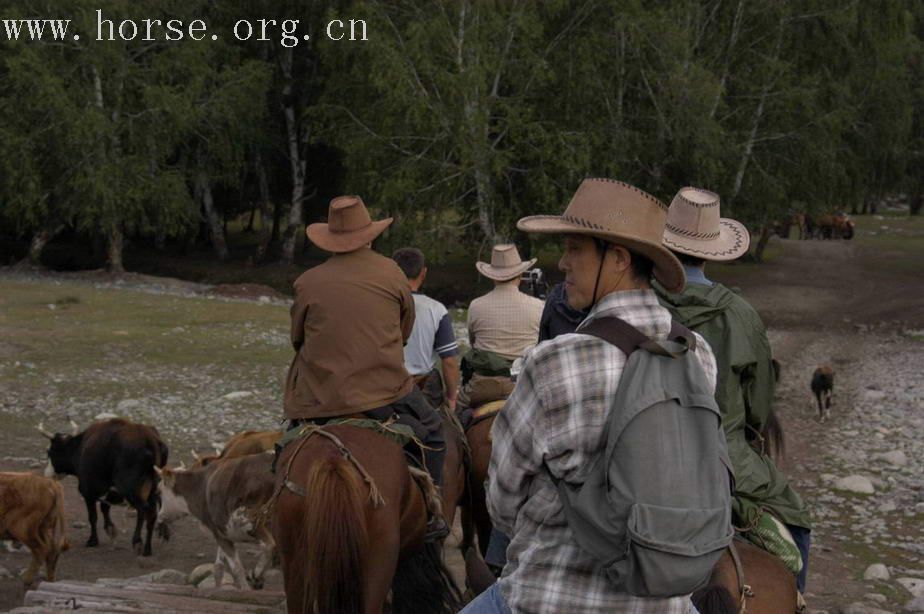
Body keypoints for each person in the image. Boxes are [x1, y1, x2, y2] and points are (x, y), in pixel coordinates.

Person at [463, 178, 718, 613]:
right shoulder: (697, 354)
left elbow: (503, 502)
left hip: (552, 595)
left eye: (574, 248)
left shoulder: (552, 361)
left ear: (617, 258)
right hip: (665, 600)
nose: (562, 262)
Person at [655, 186, 812, 591]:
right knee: (795, 525)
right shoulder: (741, 315)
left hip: (650, 452)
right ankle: (795, 597)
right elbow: (759, 410)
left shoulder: (639, 303)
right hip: (727, 459)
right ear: (712, 251)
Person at [283, 195, 448, 540]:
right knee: (433, 431)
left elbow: (297, 338)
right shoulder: (392, 272)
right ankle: (435, 512)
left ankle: (276, 508)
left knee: (285, 446)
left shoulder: (307, 281)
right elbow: (404, 330)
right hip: (382, 395)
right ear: (369, 235)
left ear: (330, 238)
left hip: (319, 399)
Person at [391, 247, 461, 411]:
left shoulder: (379, 305)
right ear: (423, 273)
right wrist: (451, 397)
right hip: (422, 390)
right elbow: (449, 361)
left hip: (385, 388)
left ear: (392, 272)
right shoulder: (436, 309)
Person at [464, 244, 544, 382]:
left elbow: (473, 342)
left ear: (492, 276)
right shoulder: (539, 306)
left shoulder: (475, 305)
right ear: (520, 274)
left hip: (484, 382)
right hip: (523, 382)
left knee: (458, 403)